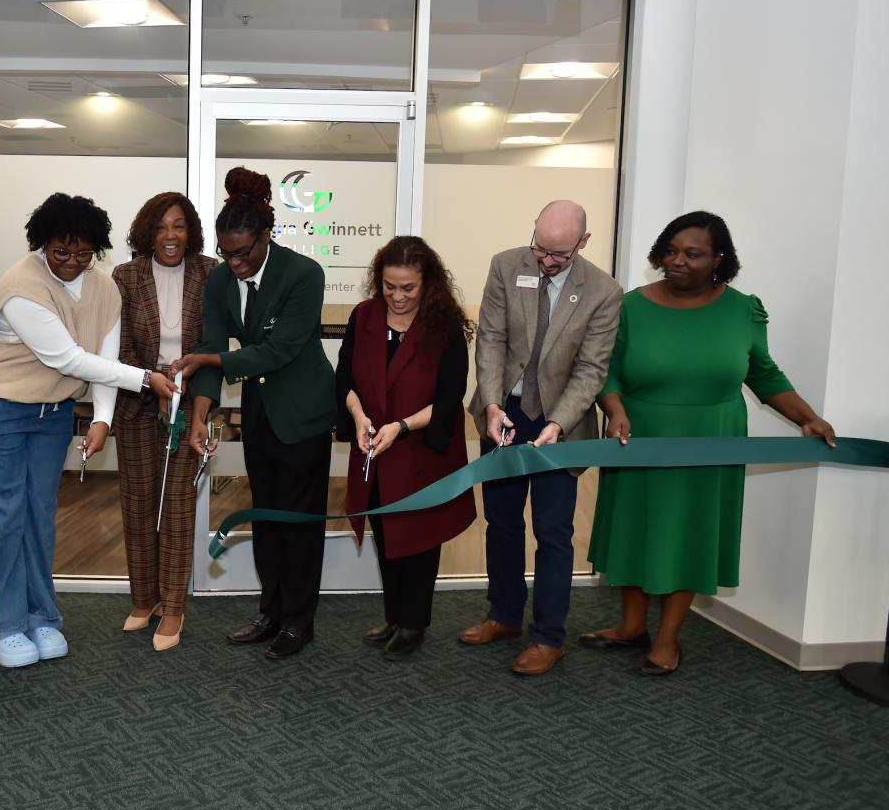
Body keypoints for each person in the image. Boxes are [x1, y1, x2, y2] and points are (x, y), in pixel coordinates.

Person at [581, 210, 834, 675]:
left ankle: (667, 640)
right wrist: (614, 409)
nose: (677, 261)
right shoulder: (631, 306)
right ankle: (631, 626)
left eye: (692, 254)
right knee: (634, 529)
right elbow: (607, 370)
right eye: (670, 252)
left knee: (691, 535)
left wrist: (808, 418)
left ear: (719, 259)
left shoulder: (742, 310)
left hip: (713, 439)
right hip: (640, 434)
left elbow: (763, 373)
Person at [0, 193, 176, 669]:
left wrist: (100, 420)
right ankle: (4, 624)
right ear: (42, 245)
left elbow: (105, 358)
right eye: (61, 252)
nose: (72, 263)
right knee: (0, 519)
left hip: (49, 415)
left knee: (38, 516)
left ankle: (40, 616)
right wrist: (145, 379)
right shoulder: (21, 284)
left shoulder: (104, 288)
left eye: (84, 253)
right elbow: (66, 357)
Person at [175, 167, 336, 661]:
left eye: (244, 252)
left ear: (267, 235)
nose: (235, 262)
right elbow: (209, 345)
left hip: (304, 414)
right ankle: (271, 613)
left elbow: (278, 350)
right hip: (261, 415)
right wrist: (199, 416)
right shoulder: (221, 278)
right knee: (267, 518)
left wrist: (209, 361)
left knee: (299, 523)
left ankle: (298, 622)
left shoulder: (304, 274)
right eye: (227, 252)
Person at [462, 199, 622, 675]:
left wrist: (558, 423)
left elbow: (592, 368)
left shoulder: (604, 291)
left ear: (583, 244)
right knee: (502, 520)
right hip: (505, 415)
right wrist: (492, 403)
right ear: (533, 231)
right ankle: (505, 614)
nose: (546, 262)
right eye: (540, 249)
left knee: (553, 532)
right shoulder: (505, 265)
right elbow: (489, 338)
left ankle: (549, 637)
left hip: (561, 423)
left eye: (559, 255)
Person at [336, 237, 477, 660]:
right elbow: (345, 378)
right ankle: (395, 615)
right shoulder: (364, 317)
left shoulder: (444, 327)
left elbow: (450, 399)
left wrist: (401, 426)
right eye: (389, 286)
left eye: (408, 288)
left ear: (427, 284)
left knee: (418, 540)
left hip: (420, 449)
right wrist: (359, 418)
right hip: (373, 449)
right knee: (385, 533)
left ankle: (414, 623)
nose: (397, 297)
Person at [111, 192, 215, 652]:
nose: (170, 236)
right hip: (137, 405)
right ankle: (144, 599)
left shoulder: (210, 274)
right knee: (137, 505)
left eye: (178, 226)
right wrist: (148, 379)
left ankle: (173, 606)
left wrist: (185, 383)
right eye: (160, 227)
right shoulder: (125, 276)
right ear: (146, 232)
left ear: (189, 231)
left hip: (187, 407)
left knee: (176, 508)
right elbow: (116, 346)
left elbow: (215, 340)